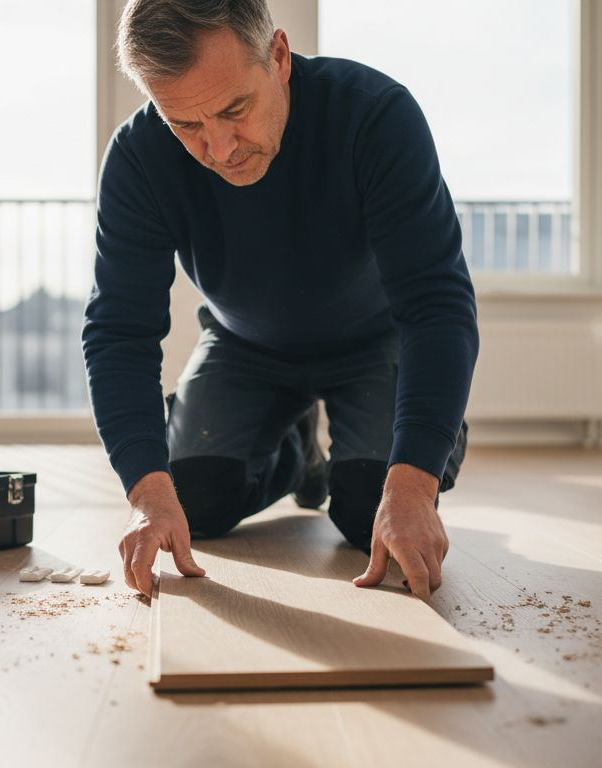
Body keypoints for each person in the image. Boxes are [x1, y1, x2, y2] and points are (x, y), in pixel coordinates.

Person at [83, 0, 477, 601]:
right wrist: (146, 495)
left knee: (366, 513)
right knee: (193, 501)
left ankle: (403, 450)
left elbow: (436, 303)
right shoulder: (137, 158)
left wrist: (415, 485)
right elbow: (119, 331)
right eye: (185, 125)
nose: (219, 148)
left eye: (234, 109)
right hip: (244, 344)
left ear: (279, 56)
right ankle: (295, 450)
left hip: (375, 341)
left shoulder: (376, 116)